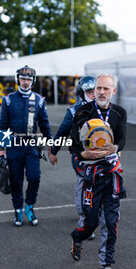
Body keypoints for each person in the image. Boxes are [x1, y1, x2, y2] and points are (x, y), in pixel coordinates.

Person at [70, 74, 127, 269]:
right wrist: (83, 156)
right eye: (98, 88)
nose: (101, 92)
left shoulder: (120, 113)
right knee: (90, 223)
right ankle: (77, 237)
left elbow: (122, 139)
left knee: (111, 224)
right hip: (90, 177)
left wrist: (115, 148)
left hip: (112, 175)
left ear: (114, 91)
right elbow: (73, 146)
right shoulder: (82, 112)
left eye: (106, 88)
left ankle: (106, 267)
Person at [0, 65, 52, 227]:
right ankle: (18, 211)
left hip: (32, 146)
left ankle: (29, 207)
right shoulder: (8, 99)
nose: (25, 82)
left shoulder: (39, 100)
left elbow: (45, 124)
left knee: (34, 177)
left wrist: (50, 145)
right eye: (23, 78)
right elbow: (3, 125)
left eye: (28, 79)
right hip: (14, 146)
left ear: (33, 81)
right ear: (17, 79)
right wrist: (1, 150)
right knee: (16, 180)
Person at [48, 75, 97, 240]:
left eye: (95, 90)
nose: (93, 94)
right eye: (89, 91)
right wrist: (53, 151)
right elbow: (62, 132)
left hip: (100, 155)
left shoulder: (103, 108)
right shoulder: (73, 110)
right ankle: (84, 220)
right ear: (82, 92)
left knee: (100, 186)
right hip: (79, 156)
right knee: (84, 184)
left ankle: (95, 216)